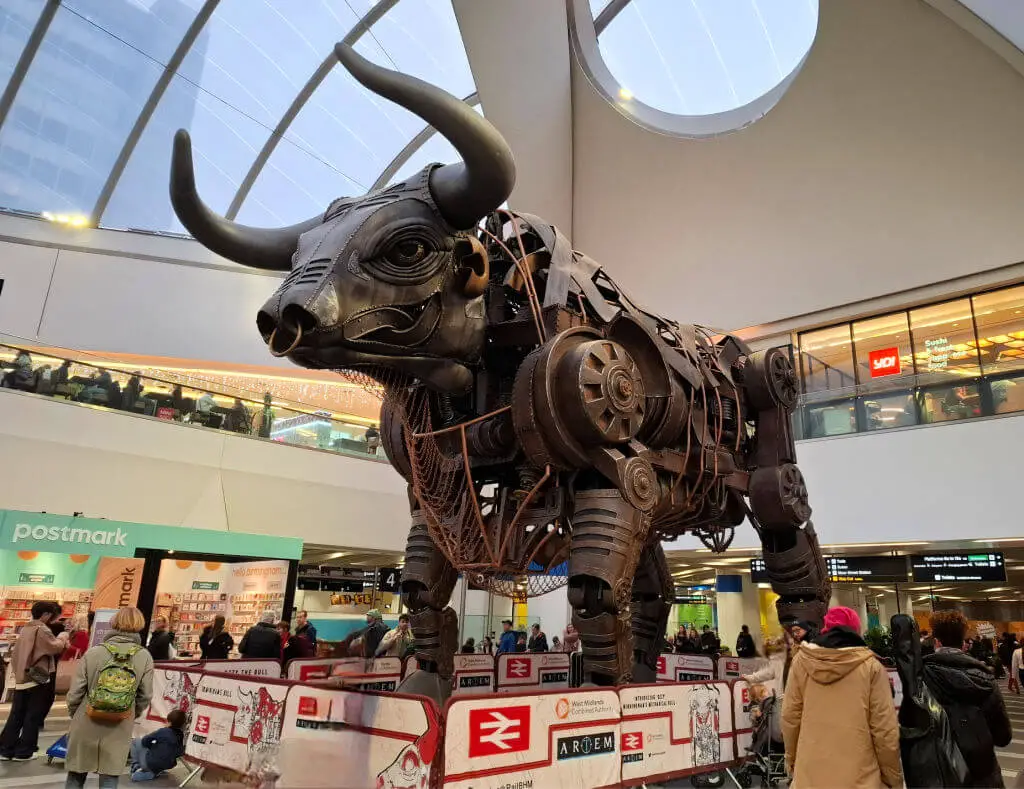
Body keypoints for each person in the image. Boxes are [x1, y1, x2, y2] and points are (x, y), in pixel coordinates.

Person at [782, 606, 901, 789]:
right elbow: (884, 730)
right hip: (861, 777)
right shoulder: (871, 667)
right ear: (857, 630)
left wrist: (791, 760)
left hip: (811, 775)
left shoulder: (801, 662)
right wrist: (893, 778)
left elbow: (790, 717)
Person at [65, 606, 154, 789]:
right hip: (119, 724)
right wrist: (128, 713)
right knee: (110, 777)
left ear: (113, 623)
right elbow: (145, 695)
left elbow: (76, 692)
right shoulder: (144, 656)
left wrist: (75, 713)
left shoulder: (94, 652)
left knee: (76, 773)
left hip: (86, 719)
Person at [922, 610, 1012, 788]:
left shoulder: (920, 678)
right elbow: (1003, 736)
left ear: (937, 642)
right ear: (963, 643)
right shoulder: (985, 677)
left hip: (937, 774)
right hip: (982, 775)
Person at [0, 601, 69, 760]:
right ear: (45, 615)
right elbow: (54, 647)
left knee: (16, 714)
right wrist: (62, 637)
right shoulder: (42, 629)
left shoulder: (26, 628)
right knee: (33, 715)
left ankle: (6, 748)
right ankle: (24, 751)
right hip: (36, 677)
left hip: (22, 677)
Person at [128, 709, 186, 783]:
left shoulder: (163, 731)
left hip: (151, 763)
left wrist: (151, 746)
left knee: (136, 741)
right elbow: (179, 752)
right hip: (168, 764)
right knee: (160, 757)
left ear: (169, 722)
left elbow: (145, 741)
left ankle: (136, 767)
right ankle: (155, 771)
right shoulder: (181, 735)